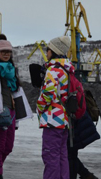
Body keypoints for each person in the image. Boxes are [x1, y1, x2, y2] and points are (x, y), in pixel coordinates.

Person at [0, 34, 33, 179]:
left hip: (11, 111)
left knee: (8, 147)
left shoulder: (11, 70)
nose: (6, 54)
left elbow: (17, 92)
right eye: (3, 51)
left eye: (8, 51)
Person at [37, 35, 73, 179]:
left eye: (48, 50)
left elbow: (48, 93)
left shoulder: (53, 70)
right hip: (64, 120)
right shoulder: (66, 69)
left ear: (54, 51)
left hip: (52, 120)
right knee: (62, 156)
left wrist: (39, 107)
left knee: (50, 156)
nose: (46, 53)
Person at [68, 110, 100, 179]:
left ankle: (86, 175)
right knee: (70, 154)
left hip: (75, 124)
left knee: (70, 155)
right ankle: (86, 175)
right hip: (78, 122)